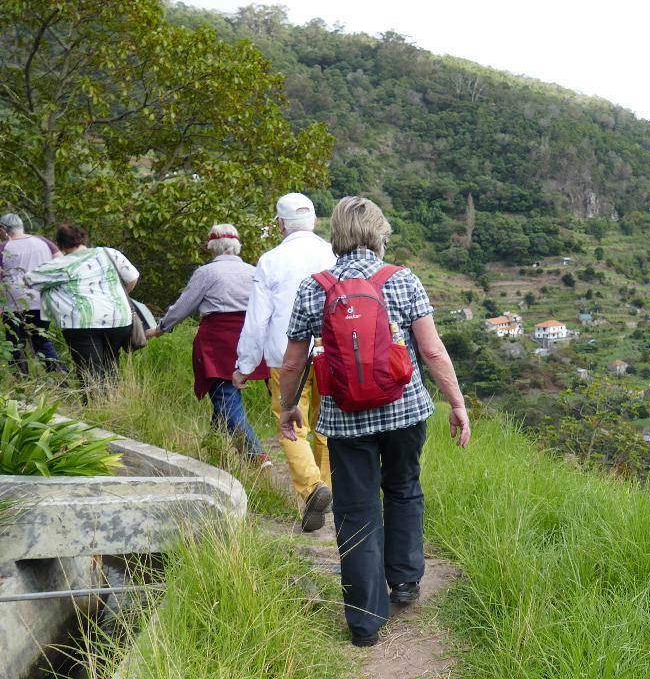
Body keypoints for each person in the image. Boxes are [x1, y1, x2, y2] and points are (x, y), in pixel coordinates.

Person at [279, 196, 469, 647]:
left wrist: (289, 406)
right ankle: (404, 581)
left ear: (336, 238)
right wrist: (456, 403)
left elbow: (292, 362)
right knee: (404, 487)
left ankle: (365, 621)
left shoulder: (315, 287)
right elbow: (432, 351)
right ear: (380, 235)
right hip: (405, 411)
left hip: (346, 419)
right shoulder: (402, 281)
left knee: (356, 510)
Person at [234, 193, 336, 532]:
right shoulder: (332, 253)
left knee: (291, 425)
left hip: (285, 356)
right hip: (331, 352)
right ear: (314, 221)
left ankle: (312, 489)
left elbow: (257, 319)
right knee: (328, 424)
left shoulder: (270, 260)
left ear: (280, 224)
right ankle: (330, 491)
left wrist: (244, 365)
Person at [147, 224, 271, 464]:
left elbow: (184, 305)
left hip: (218, 340)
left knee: (225, 394)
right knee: (222, 398)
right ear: (236, 245)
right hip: (251, 337)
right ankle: (212, 452)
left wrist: (161, 328)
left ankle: (257, 457)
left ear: (211, 247)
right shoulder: (254, 271)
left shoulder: (206, 273)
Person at [25, 223, 139, 385]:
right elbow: (133, 278)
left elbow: (29, 279)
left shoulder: (61, 265)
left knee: (90, 372)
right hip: (119, 319)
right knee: (110, 363)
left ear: (61, 245)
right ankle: (114, 403)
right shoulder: (109, 253)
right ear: (84, 239)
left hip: (82, 324)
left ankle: (96, 407)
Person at [1, 213, 65, 374]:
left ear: (3, 230)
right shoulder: (43, 241)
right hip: (41, 299)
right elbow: (61, 262)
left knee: (15, 343)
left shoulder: (3, 247)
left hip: (12, 303)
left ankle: (21, 382)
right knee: (42, 340)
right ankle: (59, 377)